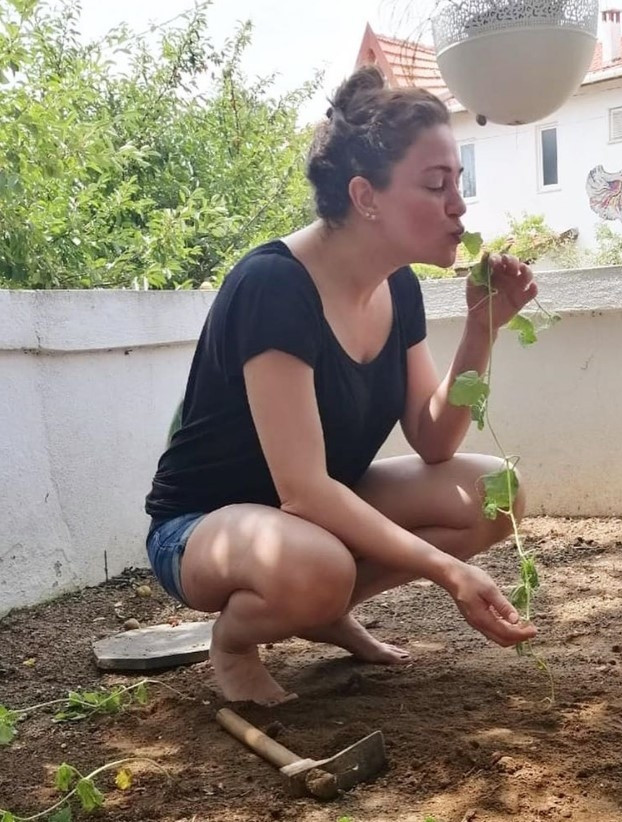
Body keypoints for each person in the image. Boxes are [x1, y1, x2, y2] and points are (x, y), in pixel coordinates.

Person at [144, 65, 538, 706]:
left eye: (458, 181)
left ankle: (319, 610)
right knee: (316, 565)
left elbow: (434, 440)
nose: (458, 206)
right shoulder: (274, 286)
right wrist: (448, 572)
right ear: (366, 197)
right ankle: (237, 640)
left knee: (493, 492)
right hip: (201, 529)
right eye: (436, 184)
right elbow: (301, 491)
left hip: (314, 517)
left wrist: (482, 329)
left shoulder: (399, 285)